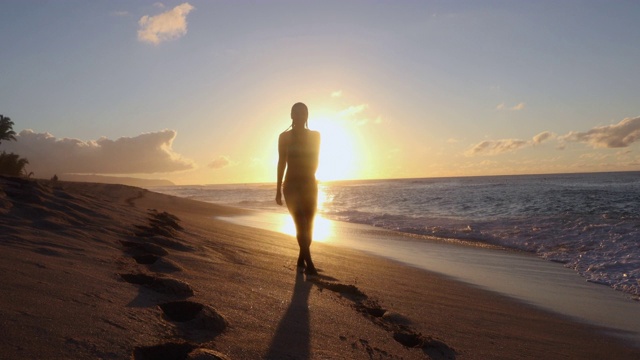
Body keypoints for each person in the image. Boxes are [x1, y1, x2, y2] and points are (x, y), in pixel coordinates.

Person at [275, 102, 320, 275]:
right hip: (291, 185)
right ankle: (309, 262)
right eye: (297, 113)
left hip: (309, 184)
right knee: (300, 222)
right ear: (291, 116)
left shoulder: (315, 136)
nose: (301, 116)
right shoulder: (284, 137)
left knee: (309, 225)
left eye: (304, 113)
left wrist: (308, 176)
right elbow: (281, 163)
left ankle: (301, 257)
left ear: (307, 116)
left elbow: (316, 158)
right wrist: (278, 189)